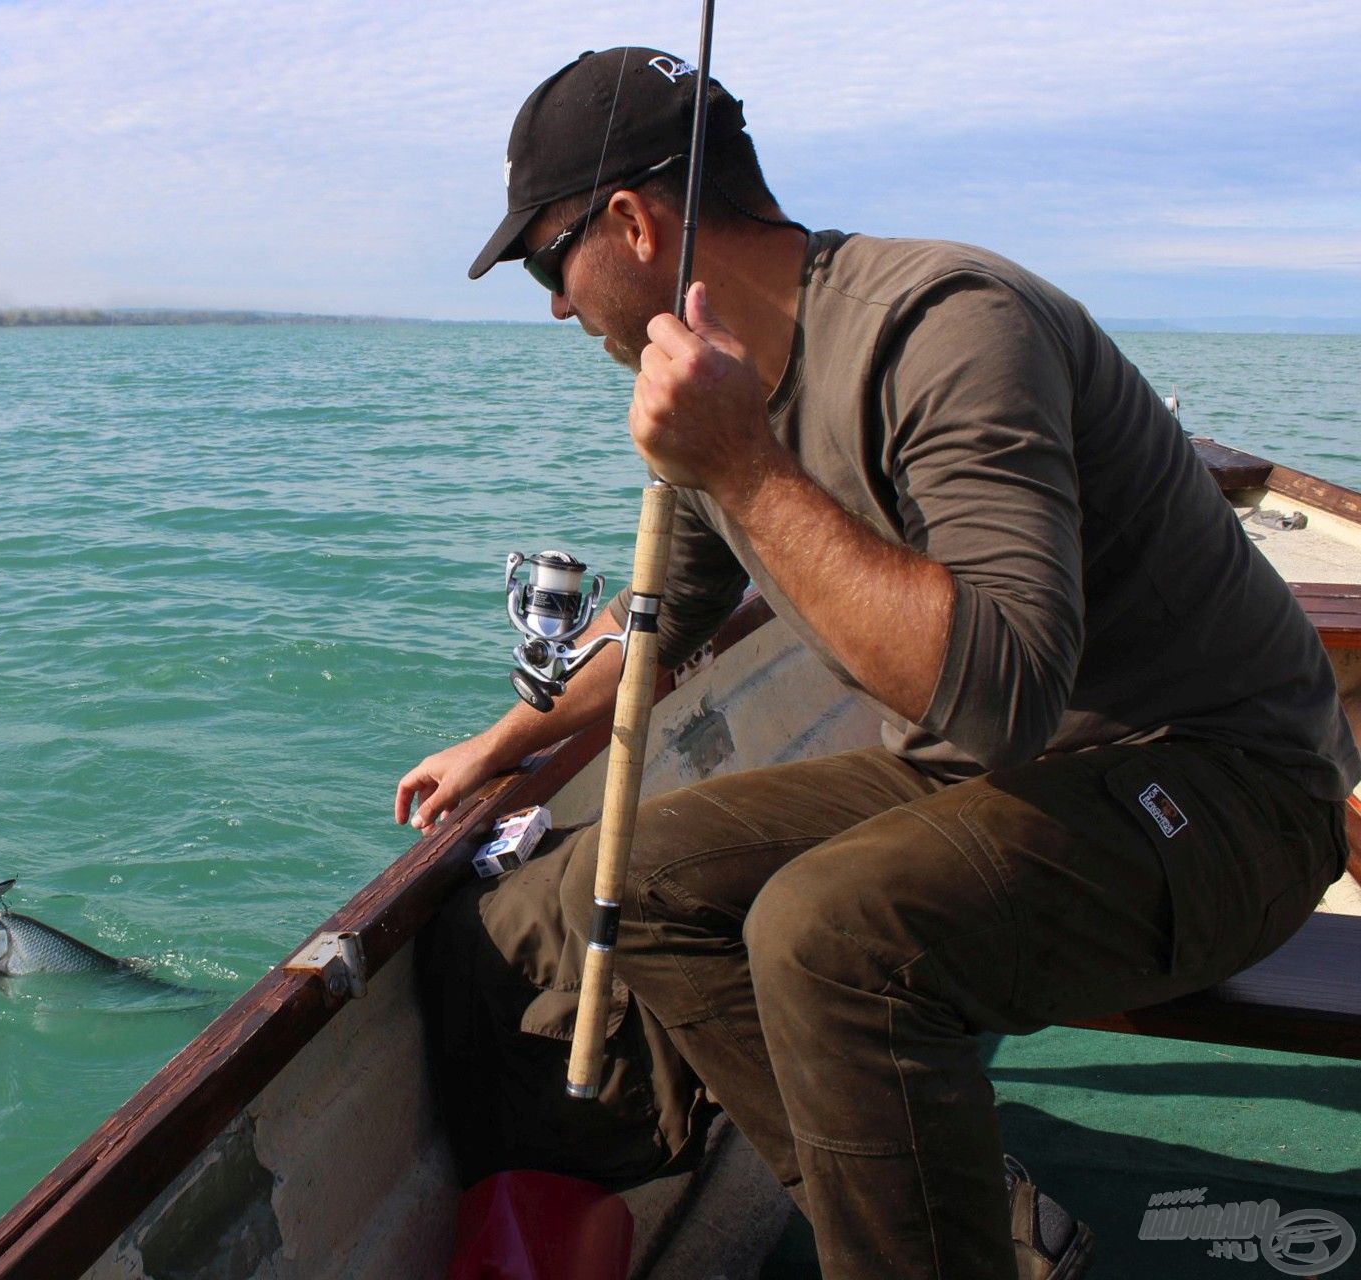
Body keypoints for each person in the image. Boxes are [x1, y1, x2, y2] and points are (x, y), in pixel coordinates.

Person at [396, 47, 1359, 1280]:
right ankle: (966, 1220)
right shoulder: (707, 386)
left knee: (825, 929)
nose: (549, 303)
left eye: (545, 258)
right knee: (631, 883)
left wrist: (743, 461)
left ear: (633, 222)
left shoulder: (951, 327)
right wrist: (505, 743)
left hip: (1230, 790)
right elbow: (665, 617)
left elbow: (1004, 695)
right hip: (983, 773)